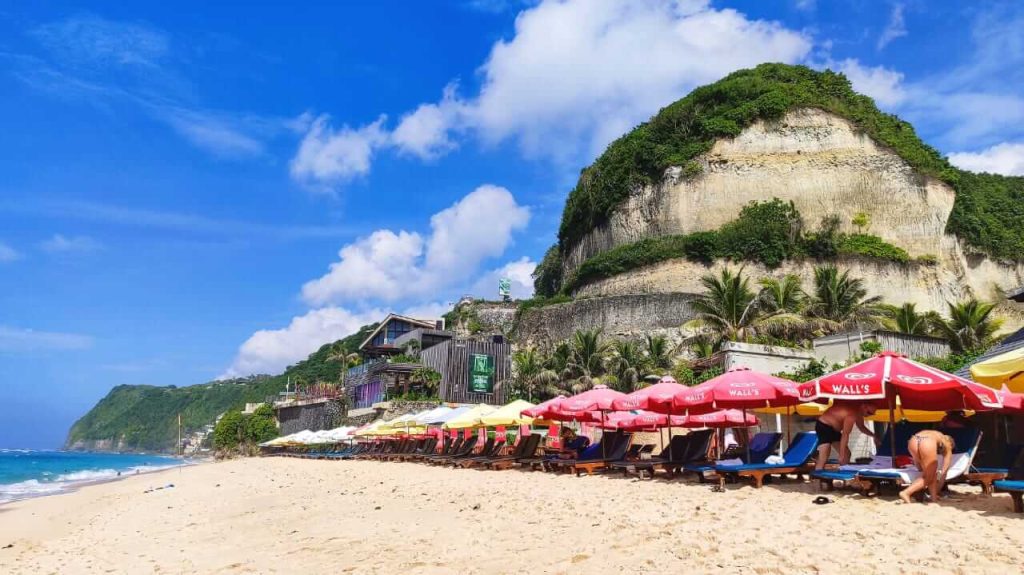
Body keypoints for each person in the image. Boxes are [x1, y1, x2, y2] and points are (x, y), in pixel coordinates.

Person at [814, 402, 880, 470]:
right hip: (824, 426)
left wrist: (874, 436)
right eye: (869, 413)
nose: (869, 415)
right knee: (825, 454)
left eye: (872, 414)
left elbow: (861, 427)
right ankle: (817, 476)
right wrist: (841, 455)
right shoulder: (852, 414)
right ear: (863, 407)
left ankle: (843, 472)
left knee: (846, 454)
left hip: (834, 430)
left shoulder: (858, 414)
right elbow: (845, 434)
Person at [899, 430, 956, 504]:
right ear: (951, 444)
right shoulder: (947, 443)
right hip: (927, 442)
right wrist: (939, 486)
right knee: (929, 477)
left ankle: (933, 497)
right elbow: (944, 471)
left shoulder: (935, 434)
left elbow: (919, 467)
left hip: (913, 440)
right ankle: (906, 492)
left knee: (931, 473)